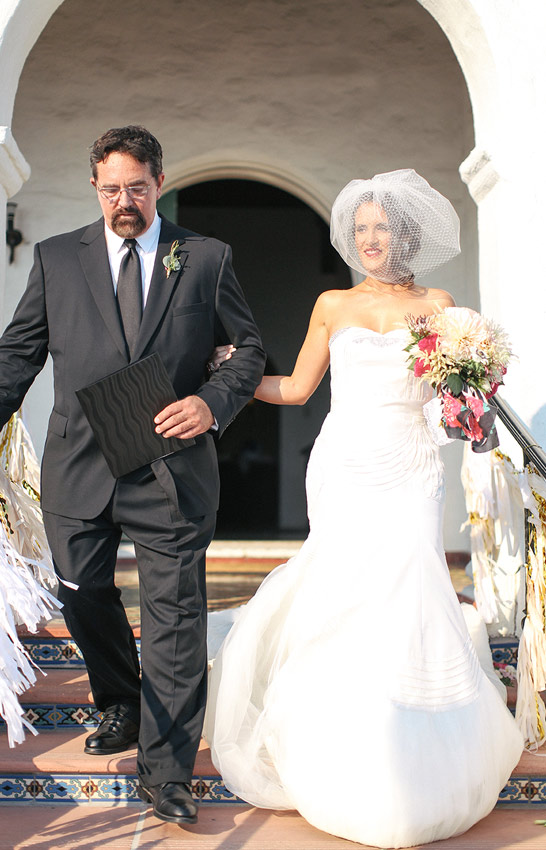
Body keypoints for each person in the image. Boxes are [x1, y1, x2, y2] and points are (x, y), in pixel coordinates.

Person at [204, 169, 523, 848]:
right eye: (361, 229)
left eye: (382, 227)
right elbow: (296, 388)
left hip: (412, 465)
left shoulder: (440, 306)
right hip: (345, 463)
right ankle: (342, 742)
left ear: (406, 235)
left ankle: (420, 749)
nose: (371, 239)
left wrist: (468, 406)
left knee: (410, 586)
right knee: (345, 587)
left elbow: (450, 400)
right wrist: (233, 378)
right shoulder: (332, 304)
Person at [0, 126, 265, 824]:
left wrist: (212, 402)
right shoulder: (56, 258)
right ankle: (121, 701)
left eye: (136, 187)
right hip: (80, 466)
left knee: (174, 617)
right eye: (111, 190)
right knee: (81, 591)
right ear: (95, 188)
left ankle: (166, 773)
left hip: (172, 467)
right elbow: (16, 356)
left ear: (159, 182)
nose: (124, 202)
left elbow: (250, 349)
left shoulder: (205, 257)